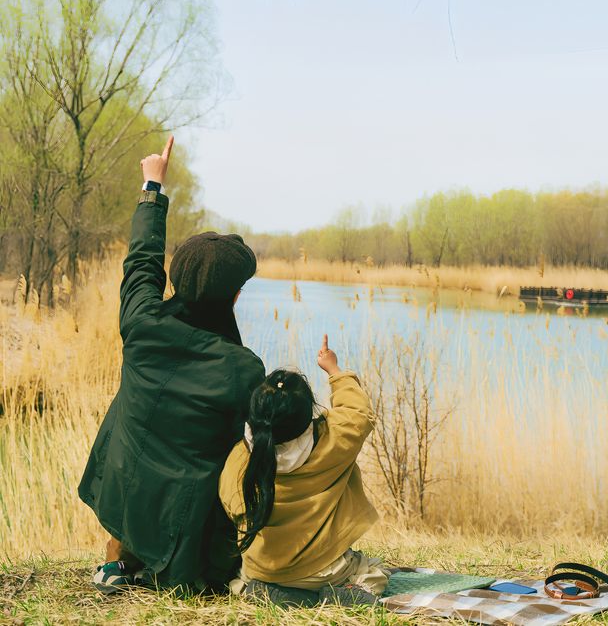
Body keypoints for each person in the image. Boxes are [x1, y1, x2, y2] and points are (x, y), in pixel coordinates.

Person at [78, 136, 266, 594]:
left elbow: (142, 260)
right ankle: (169, 563)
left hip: (119, 486)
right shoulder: (243, 368)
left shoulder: (143, 323)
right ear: (236, 295)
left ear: (175, 279)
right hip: (185, 521)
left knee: (139, 445)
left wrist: (152, 186)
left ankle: (117, 559)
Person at [218, 334, 390, 607]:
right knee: (375, 571)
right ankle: (338, 594)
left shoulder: (240, 458)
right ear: (307, 411)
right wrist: (334, 371)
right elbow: (359, 413)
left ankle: (267, 591)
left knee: (246, 577)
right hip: (324, 570)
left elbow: (232, 506)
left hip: (263, 568)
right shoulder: (332, 440)